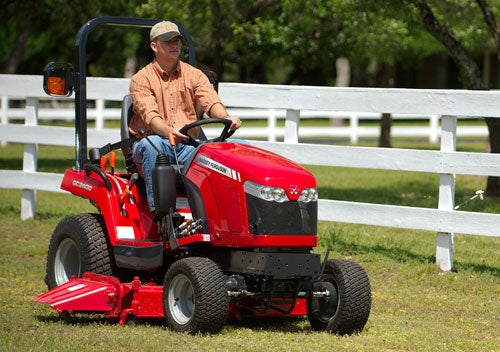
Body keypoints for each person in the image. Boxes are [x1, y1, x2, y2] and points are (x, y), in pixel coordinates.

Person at [129, 20, 241, 212]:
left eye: (177, 41)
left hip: (189, 145)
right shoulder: (141, 79)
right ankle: (161, 214)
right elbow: (151, 117)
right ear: (154, 46)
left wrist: (226, 117)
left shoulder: (195, 75)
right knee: (150, 146)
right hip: (156, 142)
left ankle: (227, 213)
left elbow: (210, 101)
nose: (174, 46)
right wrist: (169, 131)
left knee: (238, 149)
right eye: (168, 42)